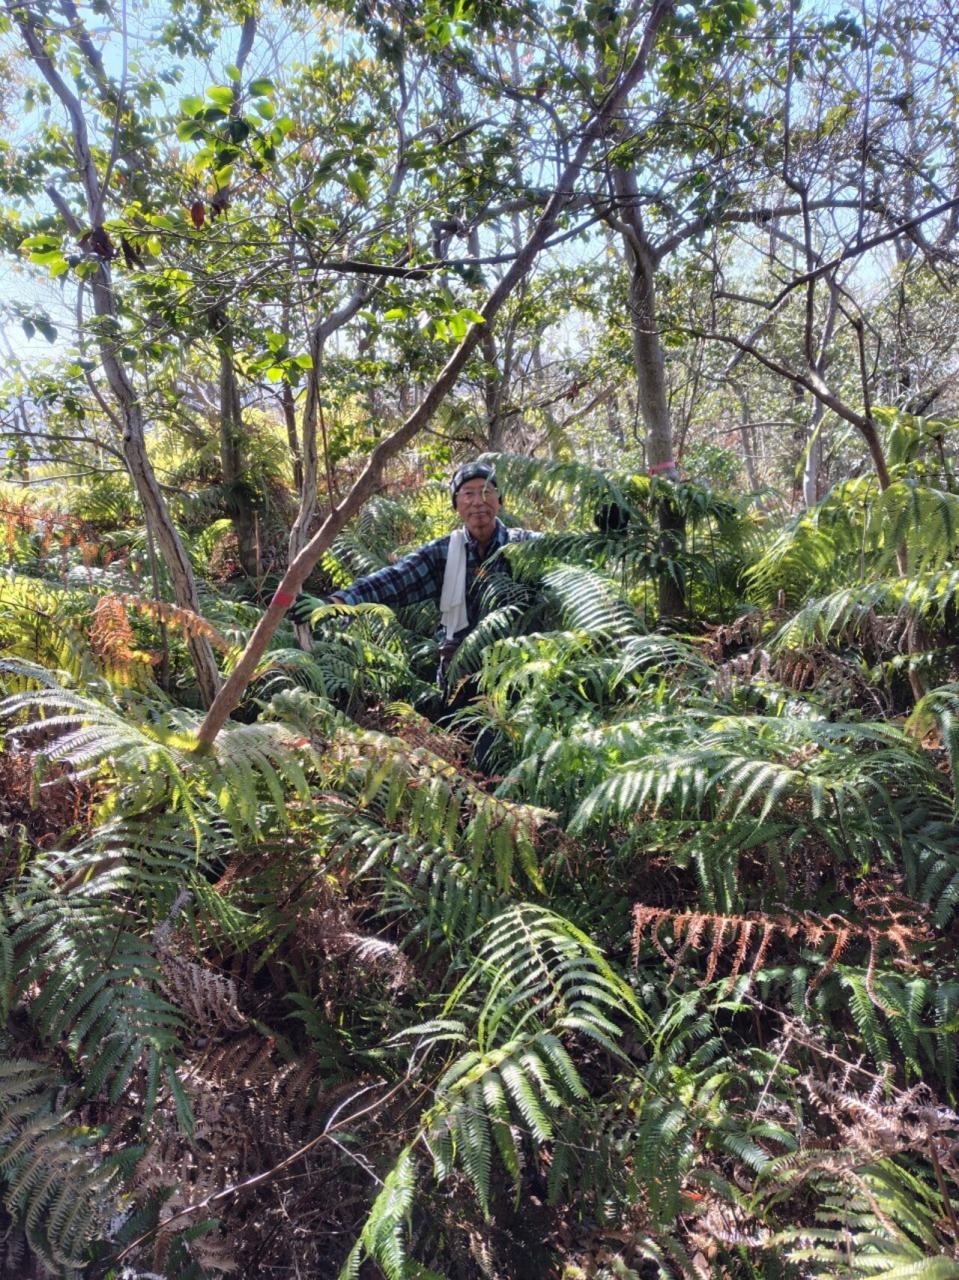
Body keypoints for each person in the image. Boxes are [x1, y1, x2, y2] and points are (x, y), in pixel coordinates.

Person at [289, 461, 540, 691]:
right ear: (456, 505)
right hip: (460, 678)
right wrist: (334, 604)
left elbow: (564, 570)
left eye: (486, 491)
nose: (478, 501)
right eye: (468, 493)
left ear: (499, 500)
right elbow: (394, 580)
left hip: (521, 674)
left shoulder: (528, 547)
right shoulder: (443, 553)